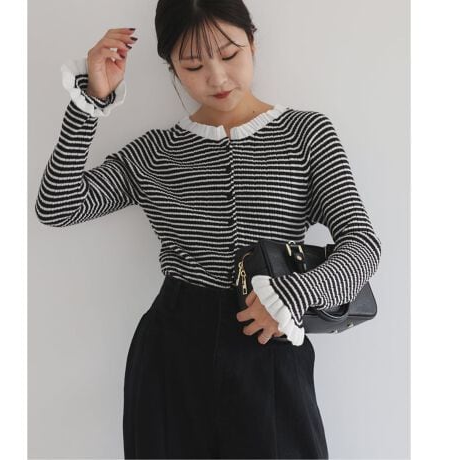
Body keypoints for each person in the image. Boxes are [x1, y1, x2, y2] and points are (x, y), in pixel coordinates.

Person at [35, 0, 382, 458]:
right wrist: (90, 103)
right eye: (193, 65)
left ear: (252, 42)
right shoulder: (156, 152)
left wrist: (295, 294)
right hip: (172, 356)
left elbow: (362, 244)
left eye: (230, 54)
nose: (217, 78)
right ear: (171, 66)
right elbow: (57, 205)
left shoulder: (306, 134)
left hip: (272, 345)